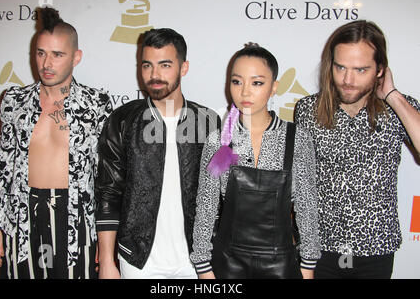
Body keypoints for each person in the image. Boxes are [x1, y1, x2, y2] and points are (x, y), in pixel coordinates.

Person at [0, 7, 113, 279]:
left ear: (76, 57)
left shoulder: (96, 104)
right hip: (21, 217)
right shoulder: (14, 101)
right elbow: (1, 166)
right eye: (41, 53)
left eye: (57, 54)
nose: (46, 64)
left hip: (76, 220)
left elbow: (106, 178)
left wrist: (105, 241)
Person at [294, 20, 420, 279]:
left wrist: (393, 96)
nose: (347, 80)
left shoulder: (399, 109)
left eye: (361, 70)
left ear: (380, 70)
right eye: (340, 67)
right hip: (321, 249)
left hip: (377, 249)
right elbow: (300, 182)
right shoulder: (308, 110)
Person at [95, 28, 220, 279]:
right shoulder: (123, 121)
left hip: (196, 260)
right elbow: (109, 191)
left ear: (183, 68)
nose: (154, 75)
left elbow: (221, 192)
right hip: (138, 259)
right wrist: (107, 261)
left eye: (164, 65)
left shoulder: (209, 123)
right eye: (147, 66)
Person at [190, 43, 321, 279]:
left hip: (281, 264)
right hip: (227, 264)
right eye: (237, 81)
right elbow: (206, 207)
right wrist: (203, 268)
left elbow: (307, 208)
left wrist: (308, 266)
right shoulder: (219, 141)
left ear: (274, 88)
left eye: (257, 83)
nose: (245, 92)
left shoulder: (296, 139)